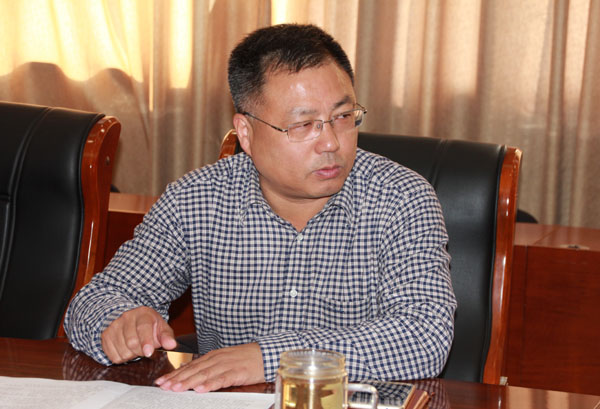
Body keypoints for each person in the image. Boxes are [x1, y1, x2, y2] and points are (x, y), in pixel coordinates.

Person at [65, 24, 456, 393]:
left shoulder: (401, 199)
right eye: (303, 125)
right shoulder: (196, 200)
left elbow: (425, 335)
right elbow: (95, 300)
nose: (331, 143)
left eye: (342, 117)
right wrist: (120, 322)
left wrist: (269, 358)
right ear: (246, 133)